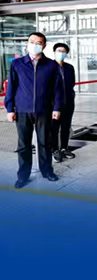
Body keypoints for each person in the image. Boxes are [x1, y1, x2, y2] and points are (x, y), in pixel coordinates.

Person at [5, 32, 63, 188]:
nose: (35, 45)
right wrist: (10, 109)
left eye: (39, 43)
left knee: (45, 142)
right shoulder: (17, 64)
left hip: (44, 110)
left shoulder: (51, 65)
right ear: (27, 43)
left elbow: (58, 89)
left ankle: (47, 171)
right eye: (32, 42)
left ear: (44, 45)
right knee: (24, 145)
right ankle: (23, 176)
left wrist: (57, 107)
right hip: (22, 110)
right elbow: (11, 87)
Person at [51, 43, 76, 163]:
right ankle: (54, 149)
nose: (61, 53)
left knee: (66, 127)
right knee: (54, 128)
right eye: (59, 50)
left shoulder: (69, 67)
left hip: (68, 102)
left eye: (63, 51)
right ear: (54, 52)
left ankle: (64, 148)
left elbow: (72, 83)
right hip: (53, 104)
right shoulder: (49, 66)